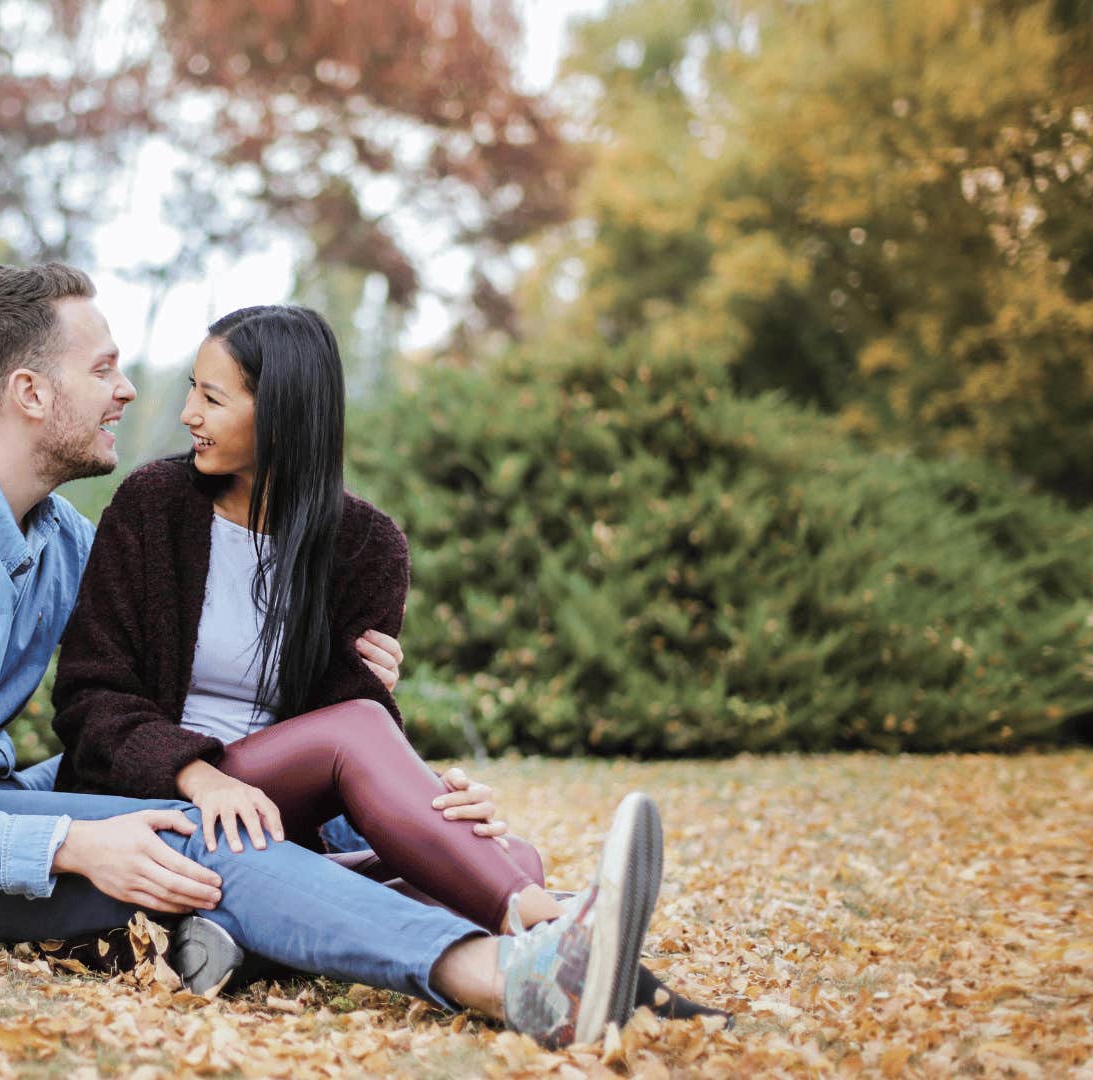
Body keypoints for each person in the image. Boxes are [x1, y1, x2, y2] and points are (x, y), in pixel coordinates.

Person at [0, 263, 666, 1048]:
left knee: (223, 830)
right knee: (199, 835)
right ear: (29, 391)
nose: (131, 392)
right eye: (102, 369)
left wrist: (393, 755)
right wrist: (72, 845)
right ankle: (508, 975)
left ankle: (520, 918)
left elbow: (160, 659)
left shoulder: (59, 540)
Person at [52, 304, 726, 1021]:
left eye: (212, 398)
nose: (189, 413)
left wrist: (433, 797)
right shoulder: (154, 506)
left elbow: (344, 723)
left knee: (506, 852)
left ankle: (235, 933)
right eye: (194, 389)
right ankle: (552, 929)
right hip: (153, 795)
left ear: (282, 412)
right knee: (463, 841)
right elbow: (91, 694)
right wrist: (199, 774)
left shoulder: (366, 546)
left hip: (273, 819)